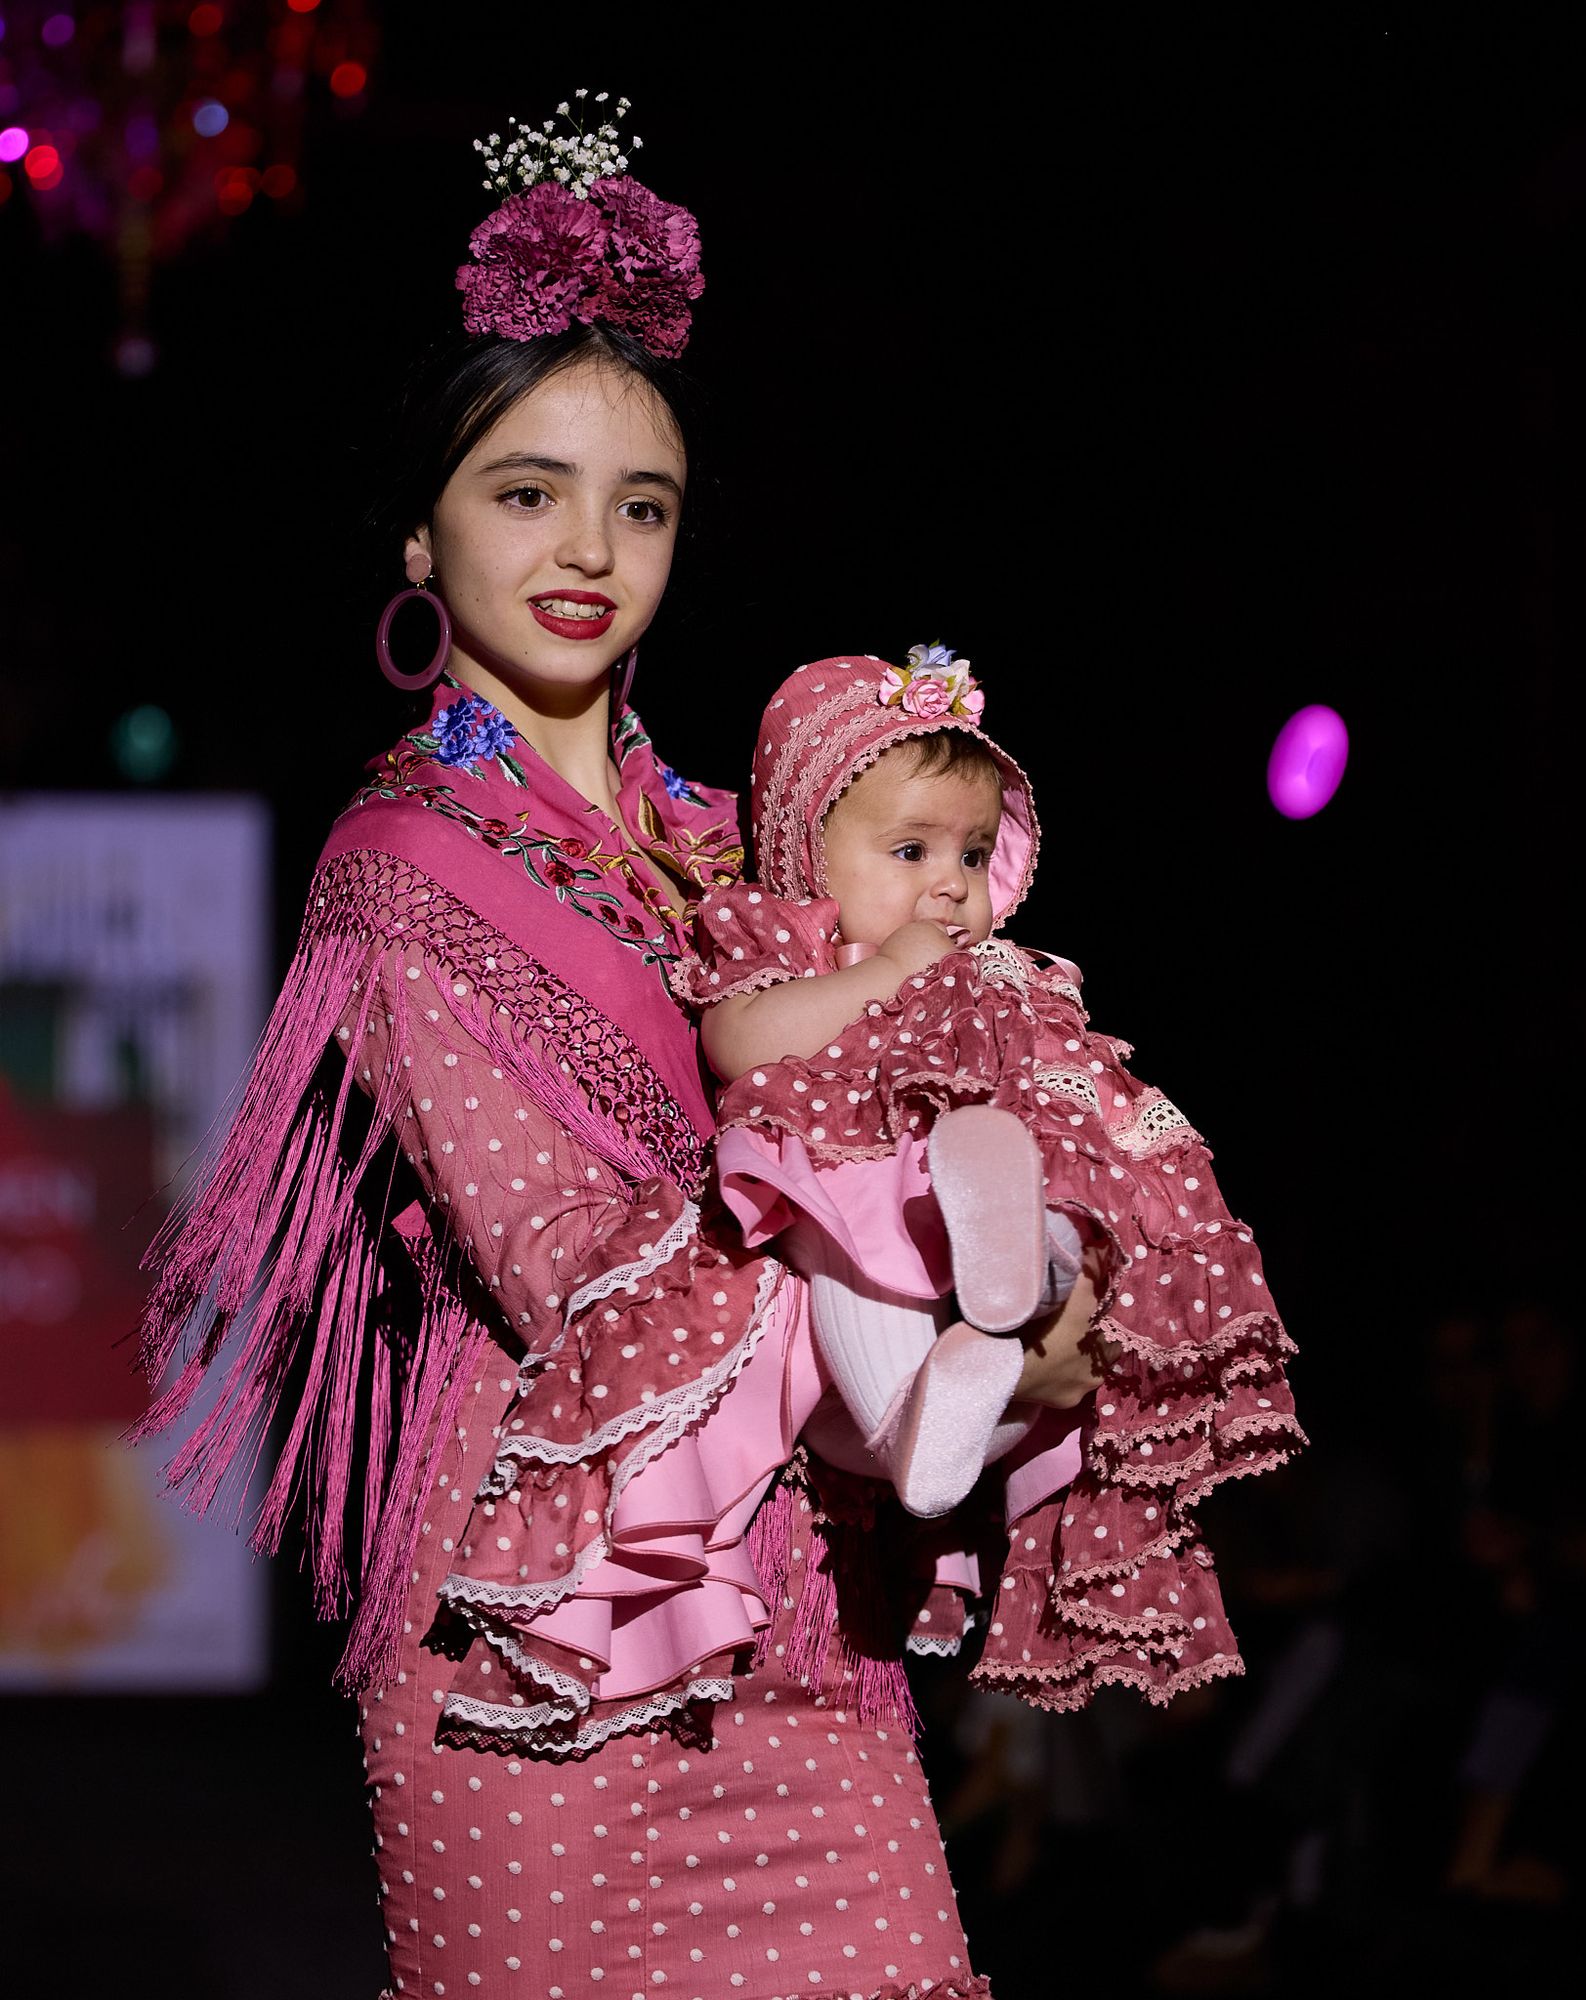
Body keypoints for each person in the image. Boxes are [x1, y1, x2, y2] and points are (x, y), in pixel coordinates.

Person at [131, 102, 1098, 1996]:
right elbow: (584, 1270)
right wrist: (947, 1330)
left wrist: (1050, 1295)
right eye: (526, 491)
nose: (590, 549)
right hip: (541, 1655)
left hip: (802, 1627)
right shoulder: (399, 872)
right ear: (422, 523)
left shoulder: (752, 843)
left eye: (637, 504)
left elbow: (932, 1124)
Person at [588, 649, 1305, 1709]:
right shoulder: (793, 942)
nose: (949, 883)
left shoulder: (999, 975)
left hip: (986, 1187)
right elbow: (738, 1038)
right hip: (849, 1173)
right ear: (805, 851)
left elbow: (1086, 1085)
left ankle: (1017, 1260)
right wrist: (877, 978)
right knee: (857, 1290)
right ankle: (938, 1396)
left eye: (972, 854)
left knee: (1064, 1214)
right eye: (912, 847)